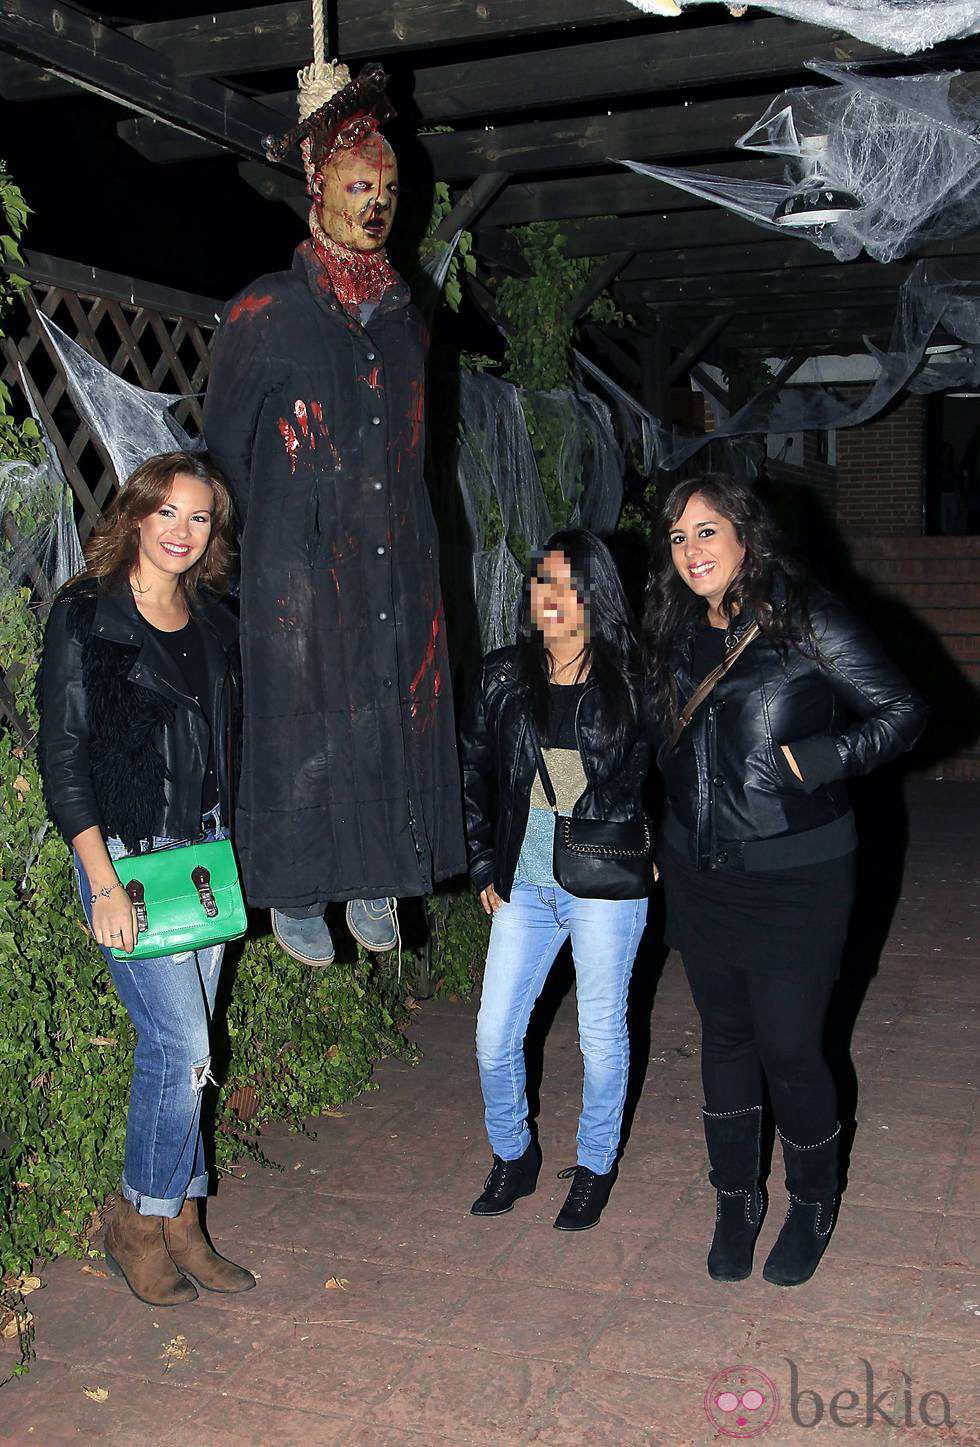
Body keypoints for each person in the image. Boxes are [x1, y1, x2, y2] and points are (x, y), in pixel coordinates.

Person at [203, 60, 465, 966]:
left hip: (393, 554)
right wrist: (264, 552)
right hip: (296, 564)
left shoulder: (408, 318)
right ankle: (295, 888)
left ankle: (380, 874)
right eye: (361, 185)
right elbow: (224, 451)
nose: (378, 204)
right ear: (319, 190)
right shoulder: (264, 313)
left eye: (390, 188)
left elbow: (418, 445)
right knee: (302, 718)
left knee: (387, 703)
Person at [645, 473, 927, 1287]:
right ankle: (736, 1198)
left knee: (791, 1045)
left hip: (798, 876)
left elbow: (902, 711)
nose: (692, 550)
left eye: (706, 531)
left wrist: (830, 758)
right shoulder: (674, 631)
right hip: (701, 876)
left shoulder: (806, 619)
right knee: (725, 1039)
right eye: (677, 537)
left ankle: (812, 1199)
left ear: (745, 534)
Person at [38, 452, 255, 1308]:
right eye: (167, 511)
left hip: (206, 857)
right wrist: (101, 879)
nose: (181, 530)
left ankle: (184, 1224)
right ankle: (140, 1219)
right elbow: (63, 759)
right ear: (135, 514)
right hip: (129, 857)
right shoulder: (86, 614)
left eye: (198, 517)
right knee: (183, 1047)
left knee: (187, 1057)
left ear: (213, 534)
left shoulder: (217, 622)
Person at [460, 530, 650, 1231]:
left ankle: (596, 1164)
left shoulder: (631, 679)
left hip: (603, 884)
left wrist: (660, 848)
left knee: (600, 1033)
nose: (554, 598)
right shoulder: (504, 674)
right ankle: (515, 1154)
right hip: (526, 882)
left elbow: (682, 766)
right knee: (493, 1034)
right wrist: (483, 860)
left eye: (570, 585)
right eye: (543, 581)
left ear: (597, 597)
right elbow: (471, 768)